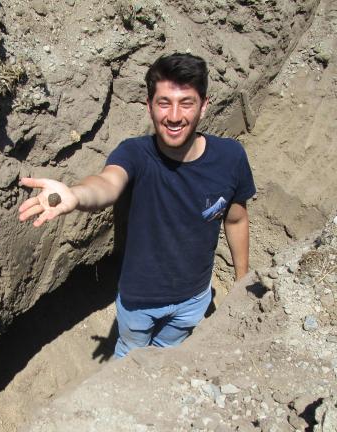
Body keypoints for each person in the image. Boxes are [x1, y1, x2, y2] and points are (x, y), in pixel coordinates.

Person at [18, 53, 256, 358]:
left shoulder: (231, 157)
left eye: (186, 103)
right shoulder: (135, 154)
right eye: (164, 102)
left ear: (204, 105)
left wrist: (241, 282)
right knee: (129, 355)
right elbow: (107, 184)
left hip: (195, 298)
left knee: (167, 350)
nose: (174, 115)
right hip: (139, 300)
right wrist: (76, 196)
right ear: (149, 106)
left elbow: (236, 220)